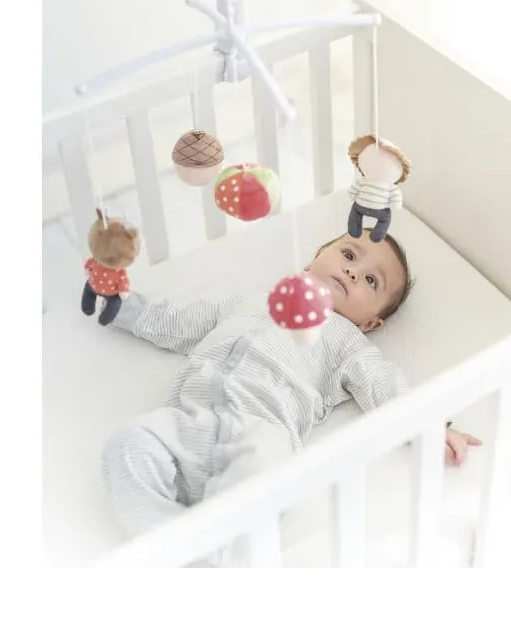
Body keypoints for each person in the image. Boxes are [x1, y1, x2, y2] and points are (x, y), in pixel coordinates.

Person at [100, 229, 482, 568]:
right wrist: (122, 307)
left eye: (371, 280)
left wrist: (431, 425)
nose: (352, 272)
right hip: (189, 421)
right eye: (349, 255)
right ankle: (166, 542)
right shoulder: (256, 300)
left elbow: (385, 386)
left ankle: (224, 562)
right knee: (128, 444)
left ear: (370, 322)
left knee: (264, 476)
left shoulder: (347, 341)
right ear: (312, 261)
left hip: (259, 430)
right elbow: (182, 322)